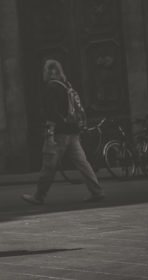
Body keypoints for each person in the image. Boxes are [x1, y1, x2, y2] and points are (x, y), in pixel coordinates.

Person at [21, 59, 105, 205]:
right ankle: (97, 191)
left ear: (49, 72)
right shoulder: (67, 86)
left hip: (59, 133)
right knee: (82, 163)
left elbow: (51, 113)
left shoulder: (50, 88)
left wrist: (51, 133)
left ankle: (39, 196)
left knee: (49, 165)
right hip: (73, 132)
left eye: (45, 71)